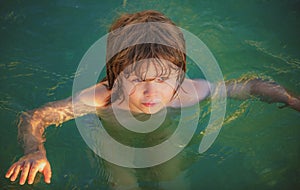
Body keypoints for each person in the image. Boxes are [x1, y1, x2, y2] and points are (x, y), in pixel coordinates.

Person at [5, 10, 300, 188]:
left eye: (161, 79)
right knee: (122, 181)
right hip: (109, 137)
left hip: (163, 136)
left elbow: (249, 86)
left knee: (174, 180)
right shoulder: (103, 98)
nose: (152, 92)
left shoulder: (187, 92)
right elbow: (34, 117)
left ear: (179, 75)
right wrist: (35, 151)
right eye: (136, 79)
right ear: (115, 76)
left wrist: (290, 100)